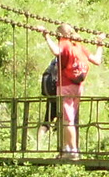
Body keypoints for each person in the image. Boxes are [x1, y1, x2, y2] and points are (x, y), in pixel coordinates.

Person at [42, 23, 103, 158]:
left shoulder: (65, 43)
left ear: (60, 35)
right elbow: (97, 60)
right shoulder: (79, 46)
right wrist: (100, 44)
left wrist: (46, 37)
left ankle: (73, 150)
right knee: (68, 119)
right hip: (78, 87)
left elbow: (56, 52)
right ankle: (67, 148)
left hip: (65, 87)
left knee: (67, 120)